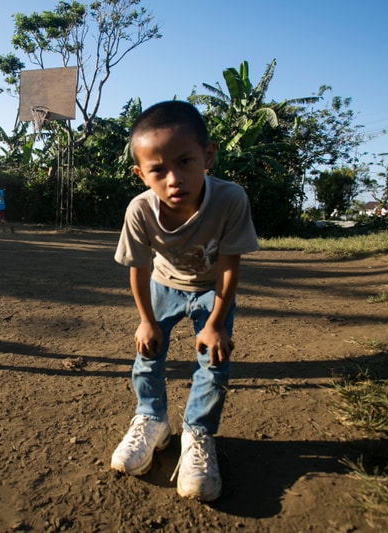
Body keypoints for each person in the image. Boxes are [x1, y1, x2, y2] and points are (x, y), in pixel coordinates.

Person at [110, 101, 259, 502]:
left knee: (214, 360)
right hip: (162, 285)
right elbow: (138, 269)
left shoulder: (230, 200)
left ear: (207, 156)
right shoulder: (140, 210)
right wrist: (146, 320)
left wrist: (215, 323)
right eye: (157, 170)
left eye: (185, 161)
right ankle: (151, 418)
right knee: (148, 353)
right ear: (141, 174)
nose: (173, 179)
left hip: (213, 289)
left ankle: (198, 432)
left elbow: (229, 265)